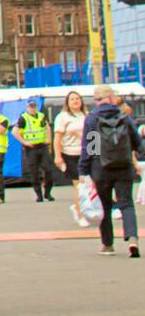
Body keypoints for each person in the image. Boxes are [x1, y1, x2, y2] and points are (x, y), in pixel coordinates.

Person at [79, 85, 142, 258]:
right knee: (127, 204)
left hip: (101, 167)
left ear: (96, 99)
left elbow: (90, 148)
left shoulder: (92, 119)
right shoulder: (125, 116)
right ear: (112, 98)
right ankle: (133, 240)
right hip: (124, 166)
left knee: (104, 206)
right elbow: (137, 142)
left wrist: (83, 170)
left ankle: (107, 245)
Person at [54, 90, 90, 227]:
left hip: (86, 153)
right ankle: (80, 214)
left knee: (89, 183)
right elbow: (57, 138)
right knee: (78, 184)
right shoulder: (62, 117)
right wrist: (58, 156)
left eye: (77, 98)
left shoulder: (87, 115)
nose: (75, 101)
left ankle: (83, 208)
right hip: (70, 154)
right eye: (72, 99)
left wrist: (96, 154)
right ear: (67, 103)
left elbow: (93, 135)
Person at [13, 96, 55, 202]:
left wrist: (49, 140)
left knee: (48, 170)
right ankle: (38, 195)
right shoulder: (24, 118)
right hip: (31, 148)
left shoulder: (41, 116)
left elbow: (47, 128)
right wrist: (24, 142)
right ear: (27, 107)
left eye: (34, 106)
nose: (33, 108)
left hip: (42, 146)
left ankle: (47, 193)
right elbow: (14, 131)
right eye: (31, 106)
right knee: (34, 172)